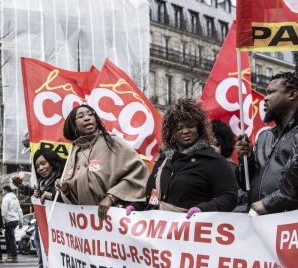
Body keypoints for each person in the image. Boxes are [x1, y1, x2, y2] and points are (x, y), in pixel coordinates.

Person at [55, 104, 150, 268]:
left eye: (90, 114)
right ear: (73, 125)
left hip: (112, 225)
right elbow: (75, 188)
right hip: (89, 231)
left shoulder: (113, 142)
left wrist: (111, 195)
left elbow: (138, 172)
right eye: (80, 116)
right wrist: (64, 186)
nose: (87, 118)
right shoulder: (75, 150)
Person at [127, 98, 238, 217]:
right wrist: (138, 207)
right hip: (157, 232)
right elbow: (154, 197)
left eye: (190, 126)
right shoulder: (163, 160)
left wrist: (202, 210)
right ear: (172, 133)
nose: (185, 131)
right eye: (179, 128)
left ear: (199, 130)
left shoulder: (214, 161)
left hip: (192, 230)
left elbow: (229, 197)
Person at [12, 149, 69, 268]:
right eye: (37, 166)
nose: (41, 168)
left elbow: (69, 198)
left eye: (43, 163)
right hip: (41, 226)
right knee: (43, 264)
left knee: (58, 266)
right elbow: (37, 195)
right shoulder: (41, 181)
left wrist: (49, 195)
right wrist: (23, 188)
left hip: (58, 229)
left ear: (52, 161)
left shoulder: (62, 178)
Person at [236, 72, 298, 215]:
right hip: (260, 221)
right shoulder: (265, 136)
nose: (265, 98)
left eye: (271, 92)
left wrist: (268, 204)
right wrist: (247, 159)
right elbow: (244, 184)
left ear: (292, 95)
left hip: (288, 224)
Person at [212, 120, 247, 212]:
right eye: (208, 144)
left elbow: (241, 199)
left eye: (216, 144)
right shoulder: (191, 169)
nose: (212, 148)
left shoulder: (234, 171)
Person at [1, 185, 23, 263]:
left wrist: (3, 221)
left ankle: (14, 256)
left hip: (9, 220)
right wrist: (21, 221)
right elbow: (20, 210)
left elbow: (4, 211)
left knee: (10, 239)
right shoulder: (15, 199)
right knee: (8, 238)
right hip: (15, 220)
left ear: (6, 190)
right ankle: (9, 255)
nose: (2, 192)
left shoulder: (6, 199)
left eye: (3, 190)